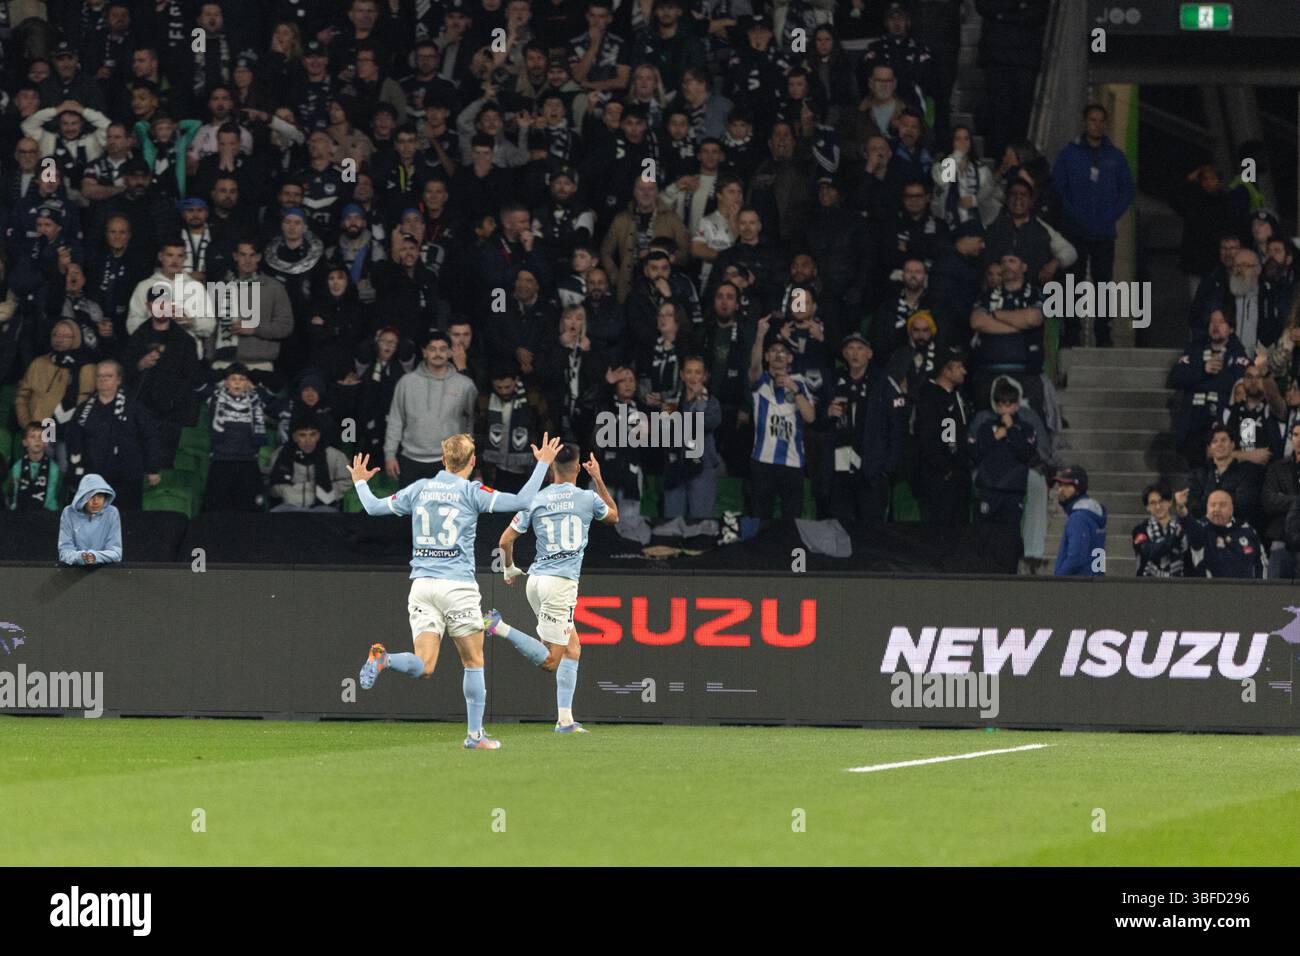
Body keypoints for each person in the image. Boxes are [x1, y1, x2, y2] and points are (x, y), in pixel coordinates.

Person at [349, 432, 563, 750]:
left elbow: (372, 508)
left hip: (421, 586)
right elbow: (520, 501)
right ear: (473, 461)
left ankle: (385, 660)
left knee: (424, 666)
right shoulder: (472, 491)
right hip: (457, 587)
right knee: (473, 660)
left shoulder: (418, 489)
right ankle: (475, 736)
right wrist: (542, 464)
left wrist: (360, 481)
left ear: (443, 458)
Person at [488, 444, 619, 732]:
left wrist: (509, 568)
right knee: (551, 661)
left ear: (551, 470)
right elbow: (613, 515)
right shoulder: (587, 498)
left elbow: (504, 541)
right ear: (577, 468)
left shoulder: (536, 499)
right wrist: (597, 478)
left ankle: (565, 720)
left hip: (535, 581)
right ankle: (499, 627)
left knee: (573, 648)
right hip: (560, 585)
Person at [384, 332, 479, 487]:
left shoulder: (465, 385)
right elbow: (395, 421)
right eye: (432, 349)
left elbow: (472, 424)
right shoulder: (406, 382)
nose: (438, 353)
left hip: (451, 462)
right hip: (410, 461)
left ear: (450, 353)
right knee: (412, 511)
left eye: (443, 349)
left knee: (449, 511)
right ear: (424, 352)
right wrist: (389, 455)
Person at [747, 315, 815, 521]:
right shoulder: (761, 382)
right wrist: (760, 336)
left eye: (783, 352)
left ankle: (790, 553)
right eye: (774, 352)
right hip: (762, 461)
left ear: (790, 358)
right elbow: (754, 367)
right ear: (767, 356)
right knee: (760, 518)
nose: (778, 355)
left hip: (792, 463)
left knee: (791, 521)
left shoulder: (800, 383)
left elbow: (810, 417)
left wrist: (795, 390)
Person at [968, 376, 1040, 572]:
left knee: (1010, 536)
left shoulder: (1026, 429)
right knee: (983, 535)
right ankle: (981, 573)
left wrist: (1011, 431)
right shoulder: (985, 427)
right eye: (1001, 404)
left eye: (1009, 404)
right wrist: (994, 437)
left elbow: (1026, 454)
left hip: (1012, 492)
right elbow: (975, 454)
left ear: (1017, 405)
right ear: (996, 406)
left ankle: (1009, 574)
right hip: (988, 491)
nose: (1005, 409)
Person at [912, 344, 970, 526]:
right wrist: (947, 469)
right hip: (940, 479)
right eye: (959, 366)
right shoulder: (931, 398)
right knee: (940, 530)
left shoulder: (953, 396)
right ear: (946, 370)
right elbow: (936, 438)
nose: (964, 371)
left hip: (955, 477)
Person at [203, 363, 267, 512]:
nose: (238, 382)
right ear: (226, 382)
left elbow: (277, 384)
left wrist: (256, 382)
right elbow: (197, 380)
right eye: (233, 379)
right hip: (221, 461)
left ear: (247, 383)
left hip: (248, 462)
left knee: (249, 511)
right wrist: (221, 374)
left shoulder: (256, 399)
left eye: (242, 379)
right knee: (217, 510)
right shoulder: (214, 397)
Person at [1175, 487, 1265, 579]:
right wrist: (1181, 508)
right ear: (1207, 509)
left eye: (1222, 505)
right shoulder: (1201, 529)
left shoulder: (1247, 531)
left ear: (1231, 509)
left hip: (1244, 591)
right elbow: (1189, 524)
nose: (1216, 509)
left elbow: (1261, 564)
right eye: (1212, 505)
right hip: (1209, 591)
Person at [264, 417, 351, 511]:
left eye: (313, 434)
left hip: (323, 507)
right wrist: (285, 491)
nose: (308, 440)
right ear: (295, 437)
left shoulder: (334, 456)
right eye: (302, 435)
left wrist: (328, 492)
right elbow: (269, 482)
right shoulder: (280, 454)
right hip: (288, 506)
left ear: (318, 435)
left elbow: (347, 480)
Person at [1051, 465, 1107, 577]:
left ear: (1079, 488)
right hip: (1095, 583)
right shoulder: (1092, 515)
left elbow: (1076, 558)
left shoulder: (1078, 518)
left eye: (1067, 485)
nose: (1061, 489)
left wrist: (1057, 580)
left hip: (1078, 587)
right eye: (1060, 485)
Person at [57, 473, 122, 567]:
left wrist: (94, 556)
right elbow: (64, 551)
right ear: (82, 497)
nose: (96, 501)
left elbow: (116, 553)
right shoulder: (68, 512)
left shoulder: (112, 512)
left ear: (105, 497)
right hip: (73, 573)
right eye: (91, 496)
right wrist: (81, 557)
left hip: (105, 572)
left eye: (100, 496)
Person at [1132, 482, 1188, 577]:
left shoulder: (1182, 527)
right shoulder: (1140, 530)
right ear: (1147, 507)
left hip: (1180, 585)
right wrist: (1175, 536)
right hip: (1148, 585)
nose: (1158, 506)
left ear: (1170, 502)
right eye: (1153, 503)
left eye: (1161, 501)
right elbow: (1150, 552)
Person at [6, 423, 62, 512]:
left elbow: (51, 497)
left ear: (46, 442)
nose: (37, 440)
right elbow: (13, 493)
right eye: (32, 436)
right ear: (25, 442)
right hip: (20, 513)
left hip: (46, 513)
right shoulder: (17, 467)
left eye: (41, 437)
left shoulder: (53, 468)